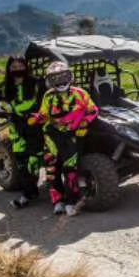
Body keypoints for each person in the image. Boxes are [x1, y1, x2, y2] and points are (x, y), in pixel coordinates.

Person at [27, 59, 97, 215]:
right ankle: (57, 200)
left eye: (63, 76)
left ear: (70, 76)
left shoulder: (80, 93)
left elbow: (93, 111)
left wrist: (84, 123)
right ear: (49, 81)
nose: (60, 81)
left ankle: (71, 201)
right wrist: (36, 118)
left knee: (71, 169)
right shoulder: (48, 95)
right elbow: (44, 114)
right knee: (52, 169)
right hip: (51, 135)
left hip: (71, 136)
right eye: (55, 78)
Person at [0, 54, 44, 207]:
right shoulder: (4, 87)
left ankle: (29, 193)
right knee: (21, 162)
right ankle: (29, 191)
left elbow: (46, 102)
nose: (18, 69)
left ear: (26, 67)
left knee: (34, 161)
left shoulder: (37, 83)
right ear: (9, 69)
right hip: (16, 130)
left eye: (21, 66)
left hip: (37, 128)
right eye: (14, 67)